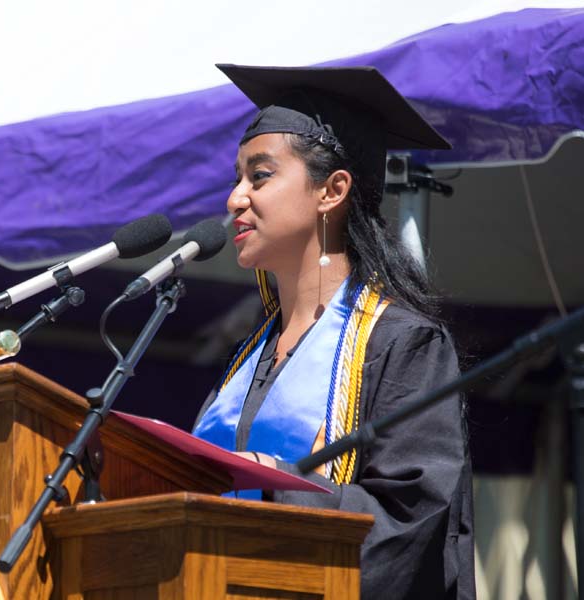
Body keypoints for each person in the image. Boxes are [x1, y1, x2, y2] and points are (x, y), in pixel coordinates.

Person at [192, 65, 474, 599]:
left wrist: (280, 486)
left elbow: (412, 515)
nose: (234, 199)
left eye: (260, 176)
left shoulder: (401, 345)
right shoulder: (248, 359)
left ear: (333, 190)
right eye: (236, 179)